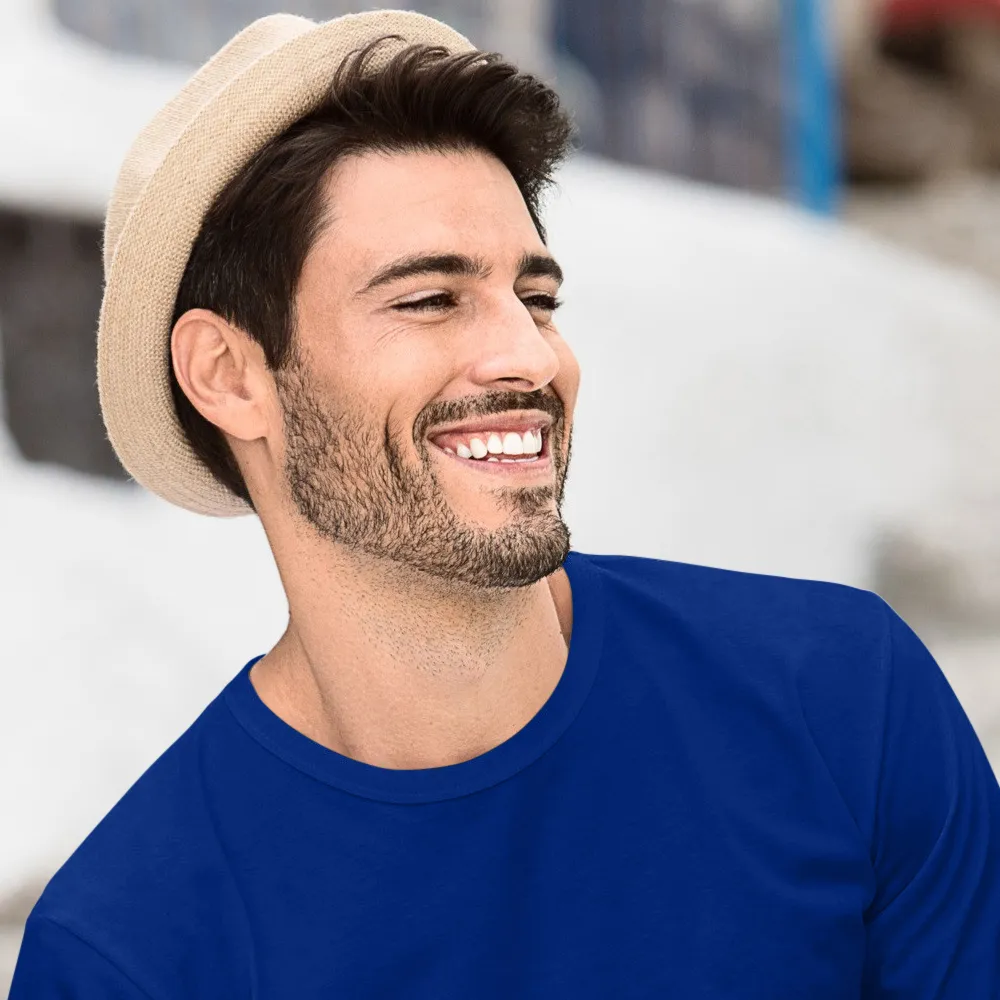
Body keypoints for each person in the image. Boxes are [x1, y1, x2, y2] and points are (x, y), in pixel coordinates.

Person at [10, 10, 1000, 998]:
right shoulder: (129, 953)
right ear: (228, 375)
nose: (531, 355)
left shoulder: (839, 702)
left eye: (536, 298)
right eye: (429, 299)